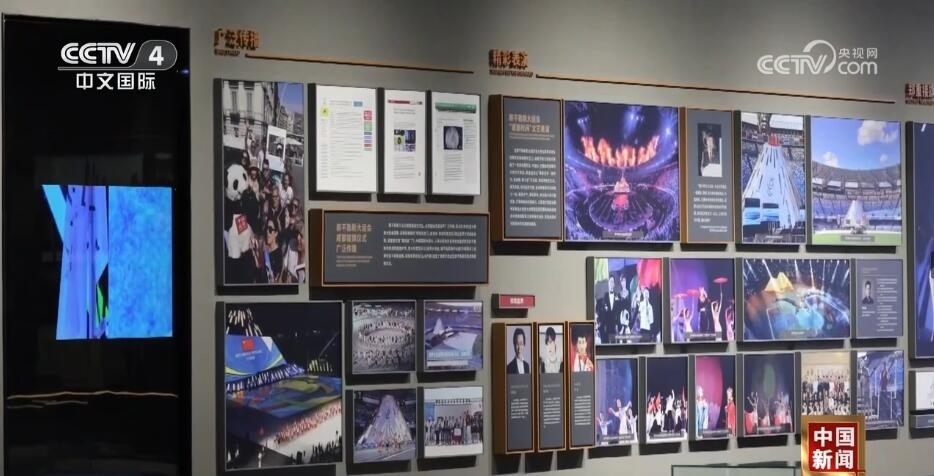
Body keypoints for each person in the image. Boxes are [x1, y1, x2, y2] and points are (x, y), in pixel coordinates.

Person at [596, 274, 622, 343]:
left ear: (614, 284)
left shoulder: (617, 296)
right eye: (610, 282)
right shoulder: (605, 296)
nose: (611, 283)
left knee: (614, 344)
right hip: (606, 325)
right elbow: (602, 310)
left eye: (612, 282)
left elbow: (618, 312)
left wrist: (617, 324)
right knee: (606, 343)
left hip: (614, 325)